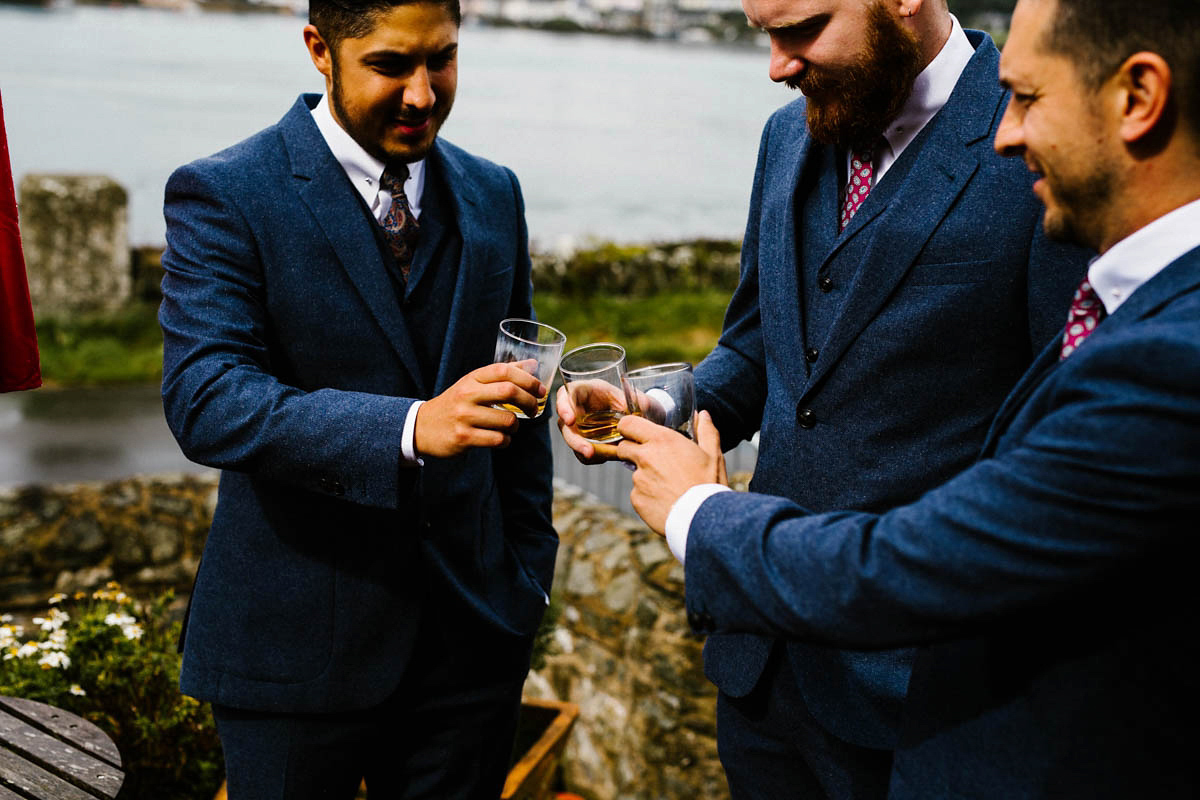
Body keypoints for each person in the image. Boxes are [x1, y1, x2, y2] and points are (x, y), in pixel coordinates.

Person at [616, 0, 1200, 795]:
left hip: (918, 696)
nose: (779, 65)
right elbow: (762, 344)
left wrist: (701, 513)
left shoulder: (1053, 178)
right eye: (766, 34)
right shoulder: (787, 135)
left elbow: (1061, 444)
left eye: (804, 29)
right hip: (759, 665)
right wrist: (649, 410)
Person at [158, 0, 557, 796]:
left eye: (441, 60)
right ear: (319, 49)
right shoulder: (224, 192)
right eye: (389, 65)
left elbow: (519, 412)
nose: (422, 94)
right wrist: (410, 426)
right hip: (292, 656)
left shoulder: (493, 193)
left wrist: (525, 581)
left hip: (470, 651)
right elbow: (207, 398)